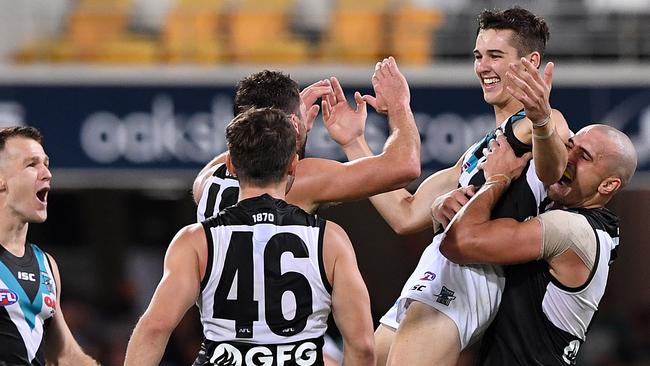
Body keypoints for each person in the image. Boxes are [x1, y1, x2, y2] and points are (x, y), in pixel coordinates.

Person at [357, 7, 572, 366]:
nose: (483, 66)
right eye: (478, 56)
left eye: (495, 56)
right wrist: (354, 143)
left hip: (468, 276)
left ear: (530, 62)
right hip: (434, 270)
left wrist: (542, 118)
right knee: (360, 359)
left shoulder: (541, 125)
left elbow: (553, 170)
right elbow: (405, 214)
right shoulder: (478, 150)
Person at [124, 108, 376, 366]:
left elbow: (154, 329)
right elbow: (363, 346)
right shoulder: (329, 239)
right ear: (293, 164)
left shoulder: (196, 241)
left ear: (231, 165)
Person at [440, 124, 637, 365]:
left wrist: (498, 178)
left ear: (608, 185)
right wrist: (439, 205)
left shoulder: (572, 230)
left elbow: (459, 243)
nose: (568, 158)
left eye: (584, 156)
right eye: (570, 146)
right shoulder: (589, 227)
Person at [193, 62, 420, 219]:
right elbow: (404, 165)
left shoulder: (206, 179)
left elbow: (248, 149)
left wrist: (291, 133)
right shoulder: (298, 181)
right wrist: (399, 105)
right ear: (293, 123)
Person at [0, 126, 97, 365]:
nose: (47, 173)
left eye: (46, 163)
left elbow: (66, 355)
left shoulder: (46, 265)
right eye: (32, 165)